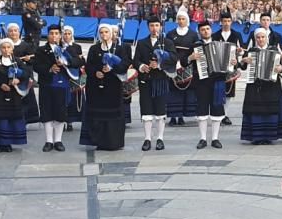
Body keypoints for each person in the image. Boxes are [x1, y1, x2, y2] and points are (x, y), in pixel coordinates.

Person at [80, 24, 132, 151]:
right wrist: (96, 72)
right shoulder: (94, 49)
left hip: (113, 87)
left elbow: (125, 64)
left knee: (113, 116)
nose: (104, 35)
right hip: (96, 88)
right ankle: (99, 141)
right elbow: (89, 66)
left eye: (106, 32)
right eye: (102, 32)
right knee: (98, 115)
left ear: (111, 34)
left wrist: (112, 68)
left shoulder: (118, 49)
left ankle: (113, 142)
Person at [33, 25, 82, 152]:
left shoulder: (67, 49)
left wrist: (67, 62)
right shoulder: (41, 50)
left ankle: (58, 140)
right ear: (47, 35)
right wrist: (49, 69)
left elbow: (80, 62)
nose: (54, 36)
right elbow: (36, 66)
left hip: (62, 85)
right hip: (47, 84)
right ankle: (48, 141)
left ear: (60, 35)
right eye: (51, 33)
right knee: (47, 111)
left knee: (60, 112)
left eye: (56, 33)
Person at [133, 17, 178, 151]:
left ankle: (160, 138)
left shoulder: (168, 43)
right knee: (146, 111)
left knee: (160, 110)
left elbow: (174, 59)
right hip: (145, 81)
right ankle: (147, 139)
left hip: (161, 80)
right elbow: (135, 60)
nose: (154, 28)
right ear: (148, 27)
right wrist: (142, 66)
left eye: (157, 25)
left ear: (161, 27)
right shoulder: (141, 43)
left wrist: (159, 64)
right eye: (152, 25)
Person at [241, 28, 282, 144]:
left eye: (263, 37)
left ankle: (269, 136)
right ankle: (256, 137)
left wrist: (281, 68)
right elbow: (243, 67)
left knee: (270, 110)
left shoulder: (274, 50)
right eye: (258, 37)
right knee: (255, 110)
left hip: (272, 86)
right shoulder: (251, 51)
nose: (261, 39)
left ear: (267, 38)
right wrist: (243, 60)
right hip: (255, 86)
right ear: (255, 39)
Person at [189, 21, 227, 149]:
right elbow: (183, 62)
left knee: (217, 109)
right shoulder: (195, 45)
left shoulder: (220, 44)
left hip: (218, 81)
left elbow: (230, 63)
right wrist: (191, 58)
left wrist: (233, 61)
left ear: (211, 30)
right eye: (203, 30)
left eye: (207, 29)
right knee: (202, 110)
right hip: (201, 82)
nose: (205, 31)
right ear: (199, 32)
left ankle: (215, 138)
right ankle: (203, 138)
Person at [167, 12, 198, 126]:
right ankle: (172, 116)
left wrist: (188, 60)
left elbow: (196, 50)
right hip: (173, 64)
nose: (181, 21)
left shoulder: (193, 35)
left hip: (188, 65)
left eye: (183, 19)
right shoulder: (171, 34)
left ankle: (181, 116)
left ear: (187, 20)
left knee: (186, 91)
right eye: (179, 19)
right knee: (173, 92)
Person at [61, 26, 86, 130]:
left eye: (69, 34)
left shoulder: (77, 47)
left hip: (74, 76)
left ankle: (70, 121)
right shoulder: (59, 46)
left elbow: (81, 61)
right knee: (62, 99)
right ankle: (62, 120)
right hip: (62, 76)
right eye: (65, 34)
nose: (67, 36)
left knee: (73, 99)